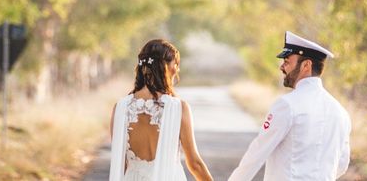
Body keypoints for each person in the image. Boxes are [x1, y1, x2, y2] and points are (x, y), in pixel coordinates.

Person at [228, 31, 352, 181]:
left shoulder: (287, 105)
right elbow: (342, 163)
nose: (282, 67)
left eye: (287, 62)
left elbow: (257, 153)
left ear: (306, 65)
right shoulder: (340, 112)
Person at [109, 39, 213, 181]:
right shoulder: (178, 108)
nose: (177, 69)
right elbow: (195, 164)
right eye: (176, 64)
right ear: (167, 67)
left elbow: (121, 163)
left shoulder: (120, 108)